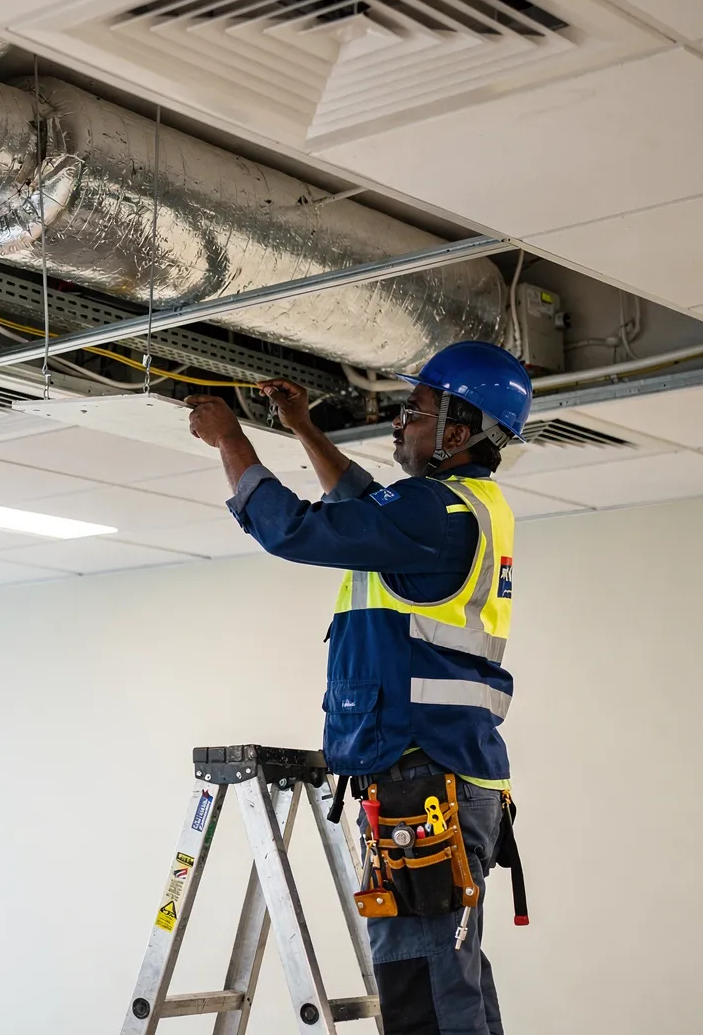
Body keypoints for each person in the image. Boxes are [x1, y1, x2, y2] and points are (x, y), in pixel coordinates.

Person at [184, 341, 533, 1035]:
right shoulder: (464, 510)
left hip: (420, 773)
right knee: (450, 979)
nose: (399, 423)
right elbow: (369, 506)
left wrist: (229, 440)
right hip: (446, 773)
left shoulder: (439, 512)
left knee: (423, 992)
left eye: (416, 411)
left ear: (458, 432)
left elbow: (296, 529)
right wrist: (307, 430)